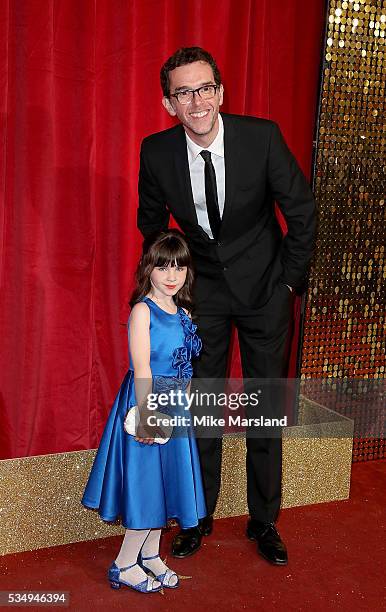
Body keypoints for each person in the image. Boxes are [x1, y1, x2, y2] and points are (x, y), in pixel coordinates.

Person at [138, 47, 316, 565]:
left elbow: (300, 211)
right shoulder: (156, 152)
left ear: (220, 92)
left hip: (266, 292)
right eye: (184, 92)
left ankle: (264, 521)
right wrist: (175, 289)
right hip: (202, 299)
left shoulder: (260, 137)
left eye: (205, 88)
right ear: (169, 103)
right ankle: (199, 515)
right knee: (203, 410)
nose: (197, 101)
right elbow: (152, 226)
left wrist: (287, 284)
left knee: (265, 410)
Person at [82, 229, 206, 593]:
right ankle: (123, 563)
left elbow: (184, 367)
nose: (172, 276)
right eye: (164, 267)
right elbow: (143, 369)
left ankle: (150, 555)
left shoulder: (182, 311)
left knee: (166, 485)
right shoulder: (142, 311)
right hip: (147, 402)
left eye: (179, 268)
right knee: (147, 486)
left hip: (175, 408)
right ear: (148, 268)